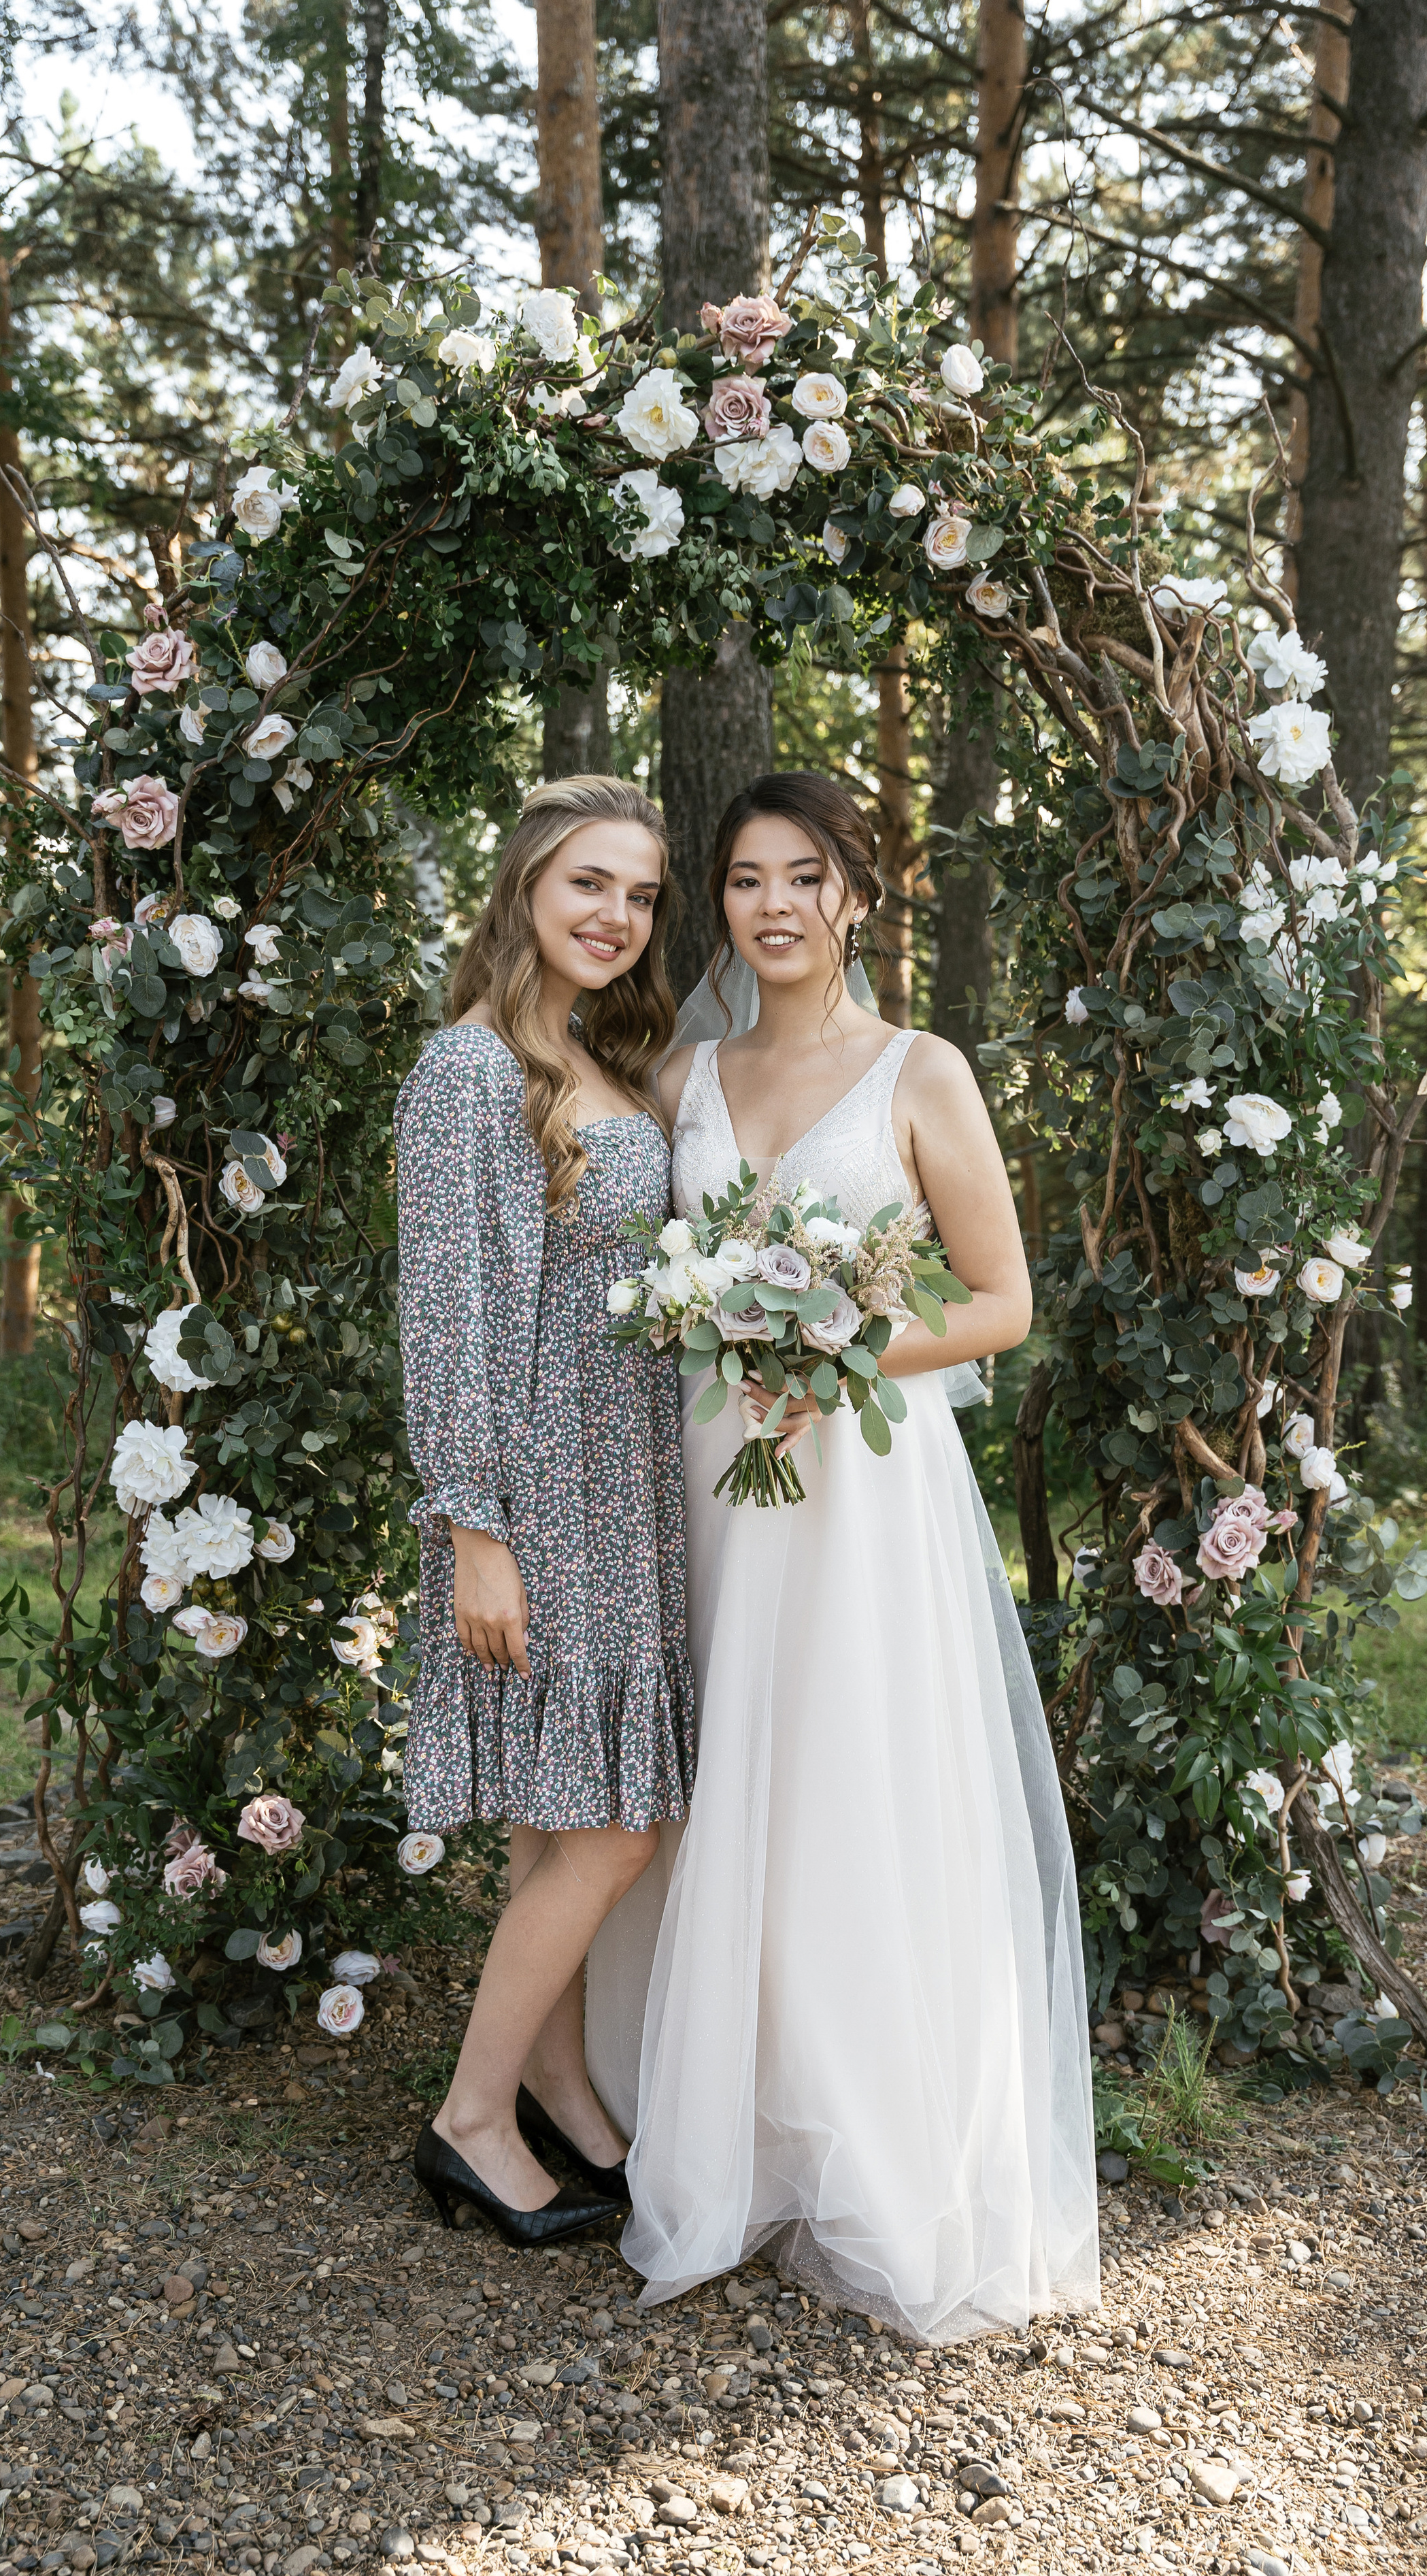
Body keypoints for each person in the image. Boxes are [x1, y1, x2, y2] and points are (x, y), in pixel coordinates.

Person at [587, 769, 1098, 2341]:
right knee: (720, 1775)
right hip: (709, 1483)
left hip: (865, 1498)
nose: (776, 906)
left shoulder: (919, 1071)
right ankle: (714, 2120)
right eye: (745, 881)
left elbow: (1001, 1303)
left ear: (857, 897)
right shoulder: (683, 1073)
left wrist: (836, 1352)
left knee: (849, 1779)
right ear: (721, 907)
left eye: (805, 876)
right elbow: (640, 1278)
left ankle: (867, 2132)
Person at [394, 774, 692, 2249]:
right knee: (615, 1830)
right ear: (524, 884)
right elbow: (450, 1315)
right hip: (541, 1497)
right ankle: (465, 2120)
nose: (614, 917)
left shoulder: (587, 1057)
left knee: (559, 1821)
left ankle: (559, 2089)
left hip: (624, 1485)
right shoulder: (469, 1072)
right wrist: (474, 1526)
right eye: (589, 884)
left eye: (638, 896)